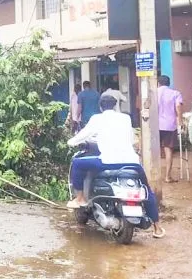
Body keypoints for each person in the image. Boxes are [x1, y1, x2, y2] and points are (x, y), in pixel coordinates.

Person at [66, 95, 165, 237]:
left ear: (100, 107)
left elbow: (83, 135)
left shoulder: (97, 118)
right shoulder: (125, 118)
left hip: (108, 162)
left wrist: (71, 142)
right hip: (132, 163)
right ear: (114, 105)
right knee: (147, 190)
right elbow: (131, 139)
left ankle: (80, 198)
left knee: (77, 163)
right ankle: (157, 227)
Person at [157, 75, 183, 182]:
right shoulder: (175, 93)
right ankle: (167, 176)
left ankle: (152, 175)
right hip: (170, 125)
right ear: (169, 83)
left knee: (153, 150)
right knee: (168, 149)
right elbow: (178, 107)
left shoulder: (153, 93)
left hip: (155, 125)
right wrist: (180, 121)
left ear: (158, 83)